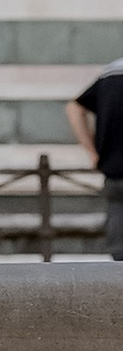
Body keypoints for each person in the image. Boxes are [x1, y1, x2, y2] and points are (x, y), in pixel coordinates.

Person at [65, 55, 123, 257]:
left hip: (115, 173)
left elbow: (74, 108)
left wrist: (92, 152)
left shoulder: (110, 73)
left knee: (119, 250)